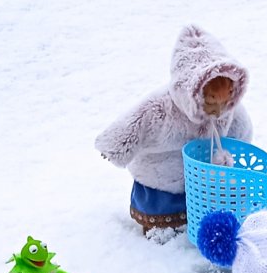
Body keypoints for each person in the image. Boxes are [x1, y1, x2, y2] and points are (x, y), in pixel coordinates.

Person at [95, 24, 252, 235]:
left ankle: (202, 219)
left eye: (224, 102)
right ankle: (159, 228)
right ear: (191, 90)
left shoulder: (231, 112)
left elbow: (242, 131)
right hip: (163, 175)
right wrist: (115, 146)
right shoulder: (161, 108)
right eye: (211, 102)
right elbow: (134, 123)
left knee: (216, 202)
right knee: (162, 209)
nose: (218, 110)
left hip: (204, 180)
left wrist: (233, 155)